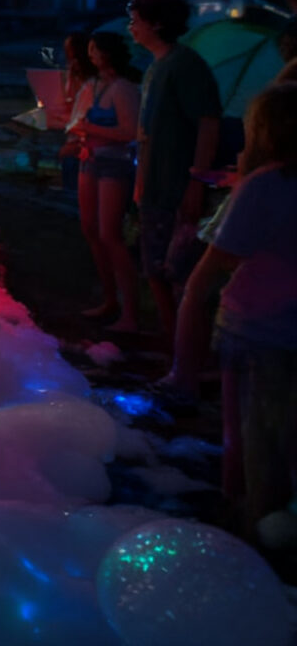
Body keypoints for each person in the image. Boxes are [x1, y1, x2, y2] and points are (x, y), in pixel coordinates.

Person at [160, 83, 297, 544]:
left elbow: (218, 258)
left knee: (250, 433)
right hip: (285, 325)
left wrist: (192, 301)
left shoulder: (268, 185)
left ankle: (248, 522)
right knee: (278, 432)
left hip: (255, 325)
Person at [128, 0, 224, 347]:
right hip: (154, 186)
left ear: (157, 23)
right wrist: (140, 182)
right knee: (154, 269)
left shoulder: (186, 65)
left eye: (136, 20)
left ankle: (193, 358)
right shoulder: (155, 66)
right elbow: (146, 134)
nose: (131, 27)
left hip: (177, 184)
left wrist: (197, 179)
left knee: (180, 273)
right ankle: (175, 348)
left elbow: (208, 122)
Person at [69, 31, 143, 329]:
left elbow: (131, 132)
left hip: (114, 163)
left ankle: (130, 312)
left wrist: (93, 130)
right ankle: (110, 298)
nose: (90, 55)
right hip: (90, 160)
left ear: (107, 53)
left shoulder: (124, 89)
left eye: (94, 49)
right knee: (90, 228)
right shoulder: (94, 85)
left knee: (110, 233)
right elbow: (77, 119)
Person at [56, 31, 98, 193]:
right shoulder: (79, 80)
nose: (68, 59)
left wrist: (75, 145)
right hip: (76, 139)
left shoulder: (93, 85)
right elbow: (71, 101)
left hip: (85, 146)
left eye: (70, 53)